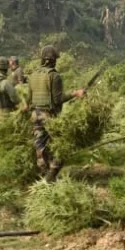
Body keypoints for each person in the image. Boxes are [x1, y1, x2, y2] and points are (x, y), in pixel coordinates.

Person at [28, 45, 85, 182]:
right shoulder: (54, 76)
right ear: (53, 60)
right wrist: (75, 93)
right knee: (62, 146)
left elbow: (29, 100)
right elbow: (58, 100)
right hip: (49, 116)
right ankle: (51, 176)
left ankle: (45, 178)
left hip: (35, 115)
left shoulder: (33, 75)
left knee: (40, 148)